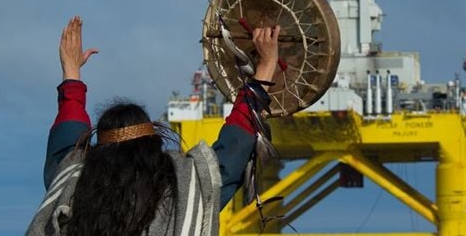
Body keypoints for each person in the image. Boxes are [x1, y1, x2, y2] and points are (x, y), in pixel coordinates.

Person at [27, 16, 281, 236]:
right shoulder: (183, 197)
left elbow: (65, 148)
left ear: (97, 154)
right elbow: (231, 156)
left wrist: (71, 72)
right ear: (151, 149)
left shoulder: (72, 190)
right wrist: (266, 67)